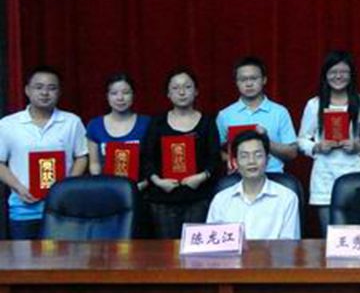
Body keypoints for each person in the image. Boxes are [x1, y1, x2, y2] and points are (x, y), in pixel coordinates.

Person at [0, 66, 88, 239]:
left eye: (51, 88)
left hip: (63, 206)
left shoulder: (72, 122)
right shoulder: (8, 124)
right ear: (27, 90)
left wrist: (67, 187)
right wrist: (18, 188)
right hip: (23, 207)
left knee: (64, 255)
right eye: (38, 87)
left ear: (59, 92)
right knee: (25, 255)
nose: (45, 93)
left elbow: (82, 156)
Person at [142, 69, 220, 239]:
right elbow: (147, 157)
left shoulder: (207, 122)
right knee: (166, 250)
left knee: (195, 249)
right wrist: (158, 181)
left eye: (187, 87)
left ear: (196, 91)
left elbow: (215, 158)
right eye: (176, 88)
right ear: (168, 94)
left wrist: (201, 177)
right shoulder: (157, 122)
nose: (182, 92)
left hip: (198, 197)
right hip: (163, 198)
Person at [297, 51, 360, 234]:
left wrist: (358, 146)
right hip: (325, 174)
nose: (338, 76)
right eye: (333, 72)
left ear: (351, 75)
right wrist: (317, 146)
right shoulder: (315, 104)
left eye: (343, 72)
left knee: (358, 233)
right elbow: (302, 139)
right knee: (331, 236)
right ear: (325, 75)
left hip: (356, 171)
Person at [207, 130, 300, 240]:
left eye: (258, 155)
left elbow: (289, 244)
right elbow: (211, 242)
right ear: (235, 162)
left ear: (267, 160)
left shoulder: (287, 198)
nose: (251, 161)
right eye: (244, 156)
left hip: (274, 252)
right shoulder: (221, 200)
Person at [216, 56, 298, 173]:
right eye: (243, 80)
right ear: (236, 83)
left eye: (253, 78)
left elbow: (292, 153)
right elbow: (213, 151)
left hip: (273, 175)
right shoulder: (225, 115)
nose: (249, 84)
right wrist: (231, 159)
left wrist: (265, 140)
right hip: (239, 176)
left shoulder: (279, 112)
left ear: (264, 80)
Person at [86, 72, 150, 189]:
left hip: (141, 189)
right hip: (106, 189)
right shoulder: (95, 125)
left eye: (126, 93)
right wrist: (100, 185)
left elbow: (153, 162)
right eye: (114, 93)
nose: (120, 98)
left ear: (133, 95)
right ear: (107, 96)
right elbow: (94, 164)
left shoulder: (147, 123)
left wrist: (142, 185)